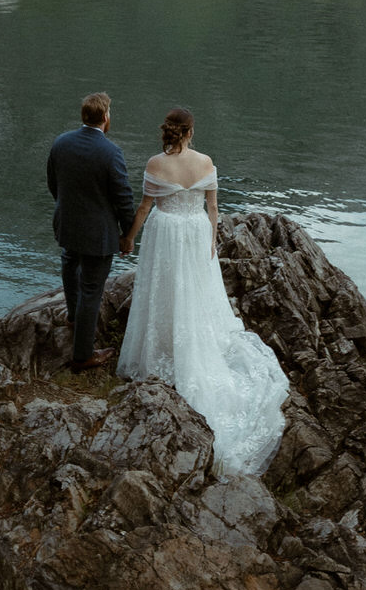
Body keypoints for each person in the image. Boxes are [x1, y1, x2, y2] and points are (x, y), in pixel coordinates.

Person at [117, 105, 288, 475]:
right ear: (191, 131)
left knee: (163, 290)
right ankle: (190, 342)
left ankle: (161, 345)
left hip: (166, 233)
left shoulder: (154, 164)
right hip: (195, 232)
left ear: (168, 131)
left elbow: (146, 208)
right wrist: (210, 243)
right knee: (193, 292)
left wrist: (128, 237)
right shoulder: (207, 162)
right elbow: (213, 208)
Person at [47, 91, 136, 371]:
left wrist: (68, 209)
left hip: (68, 223)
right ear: (106, 117)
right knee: (91, 290)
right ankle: (83, 354)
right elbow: (123, 198)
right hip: (98, 233)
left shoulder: (61, 143)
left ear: (84, 116)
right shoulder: (111, 152)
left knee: (69, 263)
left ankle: (73, 317)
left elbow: (53, 183)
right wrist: (128, 234)